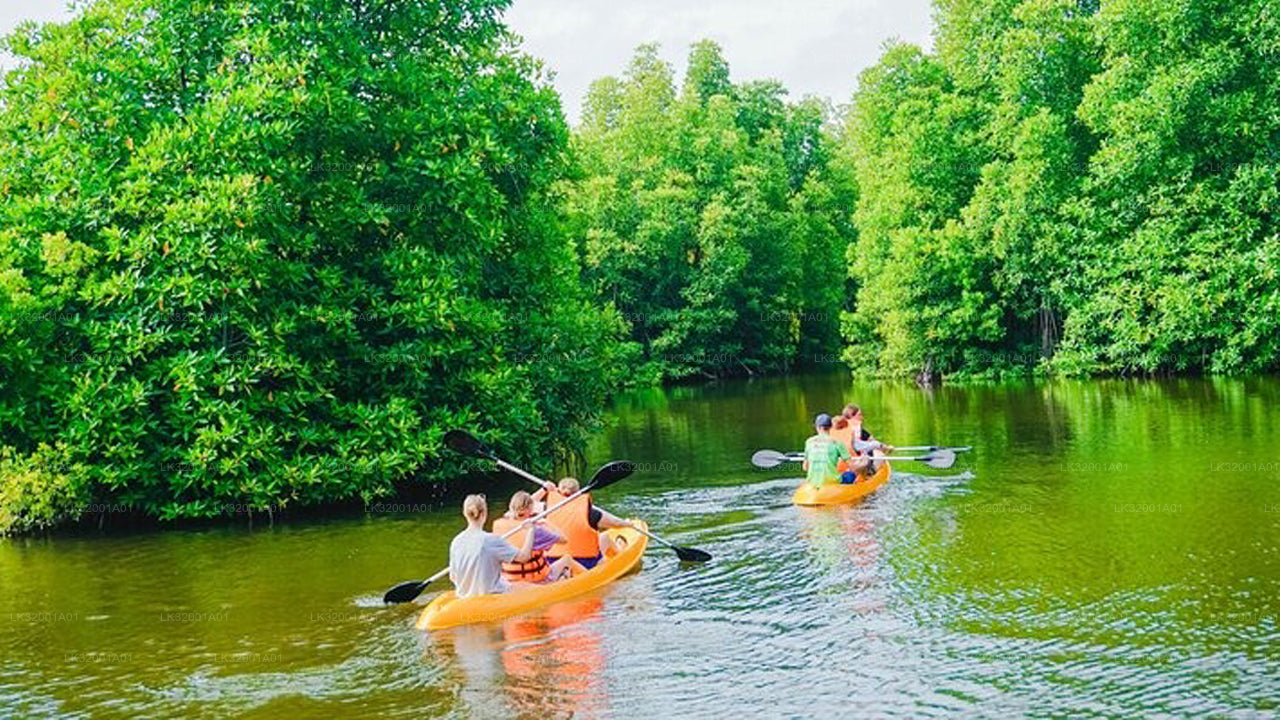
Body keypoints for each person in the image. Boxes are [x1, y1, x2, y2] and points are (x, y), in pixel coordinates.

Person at [448, 494, 536, 598]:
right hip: (490, 597)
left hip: (464, 597)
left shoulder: (456, 541)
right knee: (530, 587)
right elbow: (524, 557)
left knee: (505, 580)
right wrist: (531, 530)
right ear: (484, 514)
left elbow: (453, 577)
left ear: (465, 514)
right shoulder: (491, 540)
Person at [492, 491, 587, 583]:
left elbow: (517, 510)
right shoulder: (537, 530)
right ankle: (588, 578)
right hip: (537, 580)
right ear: (530, 509)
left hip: (510, 578)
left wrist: (544, 489)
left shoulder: (498, 525)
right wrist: (547, 523)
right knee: (567, 559)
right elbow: (564, 539)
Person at [541, 477, 633, 569]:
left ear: (558, 491)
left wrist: (544, 489)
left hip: (552, 562)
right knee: (604, 537)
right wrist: (629, 523)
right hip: (586, 563)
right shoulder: (591, 513)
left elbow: (529, 503)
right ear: (578, 492)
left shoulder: (545, 510)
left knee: (603, 537)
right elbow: (615, 523)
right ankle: (620, 553)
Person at [841, 403, 895, 479]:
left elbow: (872, 441)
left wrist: (883, 447)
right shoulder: (855, 432)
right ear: (851, 417)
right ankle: (870, 473)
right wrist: (885, 447)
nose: (862, 417)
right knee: (879, 454)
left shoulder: (839, 431)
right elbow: (871, 444)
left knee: (876, 451)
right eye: (859, 415)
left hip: (846, 463)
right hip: (855, 463)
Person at [802, 413, 856, 486]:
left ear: (817, 427)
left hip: (813, 482)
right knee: (851, 474)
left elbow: (805, 467)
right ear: (831, 427)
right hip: (832, 481)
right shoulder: (837, 442)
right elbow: (851, 466)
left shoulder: (809, 442)